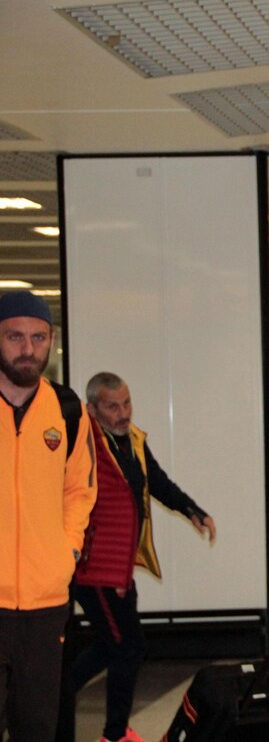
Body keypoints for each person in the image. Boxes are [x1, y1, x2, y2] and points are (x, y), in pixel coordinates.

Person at [61, 372, 217, 742]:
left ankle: (59, 694)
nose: (123, 413)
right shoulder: (83, 444)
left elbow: (157, 482)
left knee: (116, 645)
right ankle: (113, 733)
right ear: (92, 409)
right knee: (128, 647)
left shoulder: (132, 441)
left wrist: (192, 510)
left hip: (119, 567)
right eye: (112, 406)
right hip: (93, 569)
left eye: (126, 403)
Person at [0, 290, 97, 741]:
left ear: (51, 342)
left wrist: (68, 550)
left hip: (45, 605)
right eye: (15, 336)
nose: (28, 348)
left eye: (38, 337)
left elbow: (81, 489)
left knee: (37, 728)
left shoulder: (68, 411)